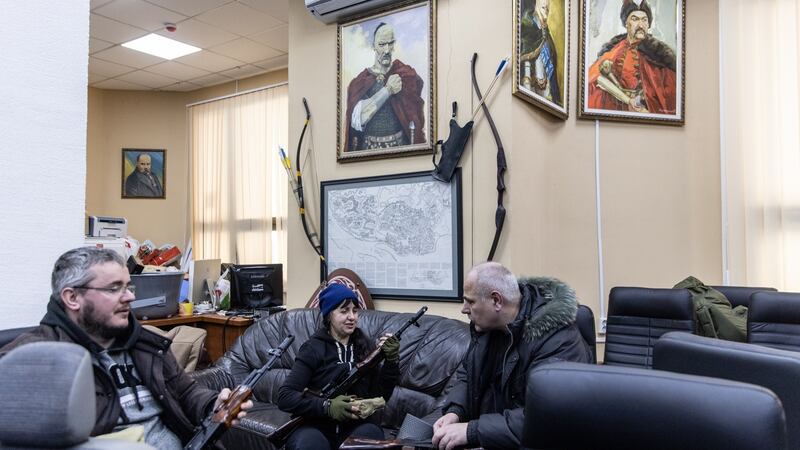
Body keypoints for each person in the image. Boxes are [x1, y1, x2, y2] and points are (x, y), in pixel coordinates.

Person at [0, 247, 251, 449]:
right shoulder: (33, 358)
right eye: (114, 288)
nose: (130, 296)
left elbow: (185, 393)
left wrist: (213, 403)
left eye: (128, 286)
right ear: (72, 298)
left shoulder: (145, 342)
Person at [431, 262, 592, 450]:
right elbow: (468, 375)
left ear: (496, 301)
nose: (464, 309)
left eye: (471, 301)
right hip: (491, 438)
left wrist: (472, 430)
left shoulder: (559, 341)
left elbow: (546, 418)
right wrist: (455, 411)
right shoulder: (487, 328)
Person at [277, 283, 400, 450]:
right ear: (329, 315)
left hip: (356, 426)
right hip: (316, 426)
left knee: (372, 435)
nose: (352, 317)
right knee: (308, 443)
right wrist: (327, 406)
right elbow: (285, 396)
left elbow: (381, 395)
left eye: (355, 311)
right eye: (344, 311)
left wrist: (391, 361)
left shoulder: (366, 347)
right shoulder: (312, 348)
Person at [344, 22, 426, 151]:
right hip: (369, 151)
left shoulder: (405, 73)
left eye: (390, 43)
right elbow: (359, 119)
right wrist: (387, 90)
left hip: (401, 148)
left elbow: (415, 115)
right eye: (382, 44)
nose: (387, 50)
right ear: (374, 46)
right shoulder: (361, 81)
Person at [587, 0, 677, 114]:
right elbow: (593, 78)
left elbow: (669, 93)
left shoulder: (659, 55)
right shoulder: (613, 50)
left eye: (644, 20)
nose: (641, 25)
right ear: (626, 23)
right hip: (614, 108)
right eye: (635, 19)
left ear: (648, 24)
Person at [519, 0, 561, 105]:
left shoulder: (546, 32)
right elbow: (525, 58)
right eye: (543, 8)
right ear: (536, 6)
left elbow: (551, 61)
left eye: (547, 9)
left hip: (546, 86)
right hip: (531, 85)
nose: (546, 12)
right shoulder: (527, 25)